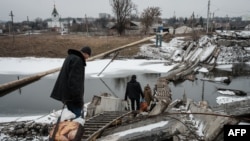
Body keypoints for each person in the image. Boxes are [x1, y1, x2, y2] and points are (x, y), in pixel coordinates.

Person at [50, 46, 91, 118]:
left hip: (66, 94)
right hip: (72, 97)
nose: (87, 58)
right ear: (85, 53)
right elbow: (75, 82)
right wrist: (78, 99)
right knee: (77, 118)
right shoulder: (78, 60)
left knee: (71, 116)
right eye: (88, 56)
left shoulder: (70, 57)